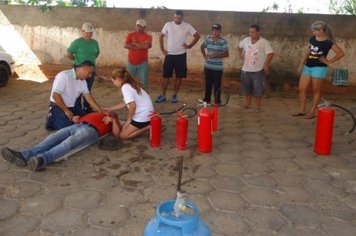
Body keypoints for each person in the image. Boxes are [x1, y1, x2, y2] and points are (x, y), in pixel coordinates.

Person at [2, 112, 121, 171]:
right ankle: (24, 155)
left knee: (68, 143)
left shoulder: (112, 121)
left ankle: (42, 159)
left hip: (92, 131)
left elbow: (117, 134)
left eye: (111, 113)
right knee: (52, 138)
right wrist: (77, 118)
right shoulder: (97, 113)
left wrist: (114, 119)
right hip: (78, 125)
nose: (109, 112)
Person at [292, 21, 345, 119]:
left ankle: (312, 112)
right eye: (313, 30)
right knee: (302, 89)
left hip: (319, 68)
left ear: (322, 30)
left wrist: (328, 61)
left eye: (315, 30)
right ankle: (302, 110)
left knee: (316, 90)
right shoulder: (312, 39)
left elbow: (340, 53)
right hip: (308, 66)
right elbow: (308, 52)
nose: (313, 32)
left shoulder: (329, 42)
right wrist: (301, 64)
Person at [156, 10, 200, 103]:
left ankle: (175, 95)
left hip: (181, 55)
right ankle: (163, 95)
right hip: (169, 55)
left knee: (179, 76)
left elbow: (197, 36)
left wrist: (189, 46)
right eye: (175, 17)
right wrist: (163, 50)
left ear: (182, 17)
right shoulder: (168, 25)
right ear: (173, 17)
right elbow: (161, 37)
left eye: (179, 18)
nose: (177, 20)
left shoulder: (187, 26)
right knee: (165, 76)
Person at [45, 60, 103, 131]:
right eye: (89, 73)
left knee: (87, 121)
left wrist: (99, 109)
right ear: (83, 69)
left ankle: (67, 117)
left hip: (73, 106)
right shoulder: (64, 76)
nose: (90, 76)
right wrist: (66, 110)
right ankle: (51, 119)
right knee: (69, 128)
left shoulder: (83, 81)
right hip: (58, 105)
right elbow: (55, 95)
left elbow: (88, 97)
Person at [105, 67, 154, 140]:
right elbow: (124, 103)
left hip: (143, 117)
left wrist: (129, 120)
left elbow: (132, 106)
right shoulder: (130, 84)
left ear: (118, 79)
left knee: (122, 136)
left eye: (113, 81)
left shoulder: (125, 87)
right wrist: (110, 108)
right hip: (148, 114)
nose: (113, 83)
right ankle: (146, 125)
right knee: (124, 126)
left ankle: (148, 127)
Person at [238, 24, 274, 112]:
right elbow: (239, 47)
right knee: (246, 88)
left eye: (253, 32)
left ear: (258, 32)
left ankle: (258, 106)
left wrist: (265, 65)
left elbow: (270, 53)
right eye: (250, 32)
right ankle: (247, 104)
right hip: (246, 69)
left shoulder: (263, 42)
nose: (251, 34)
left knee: (258, 89)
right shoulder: (246, 40)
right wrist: (241, 54)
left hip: (258, 70)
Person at [66, 22, 100, 112]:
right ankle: (76, 107)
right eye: (87, 32)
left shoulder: (94, 42)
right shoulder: (77, 42)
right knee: (77, 89)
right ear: (82, 31)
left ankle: (86, 107)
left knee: (87, 89)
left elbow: (96, 54)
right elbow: (68, 54)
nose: (89, 34)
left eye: (91, 33)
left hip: (91, 71)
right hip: (79, 70)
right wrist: (76, 61)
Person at [200, 23, 229, 105]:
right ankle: (207, 100)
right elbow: (202, 47)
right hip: (208, 66)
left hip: (218, 68)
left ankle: (217, 101)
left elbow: (226, 54)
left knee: (217, 85)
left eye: (216, 30)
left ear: (220, 31)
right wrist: (205, 56)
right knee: (208, 84)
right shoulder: (208, 40)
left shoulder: (223, 41)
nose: (215, 32)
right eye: (213, 30)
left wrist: (216, 55)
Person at [124, 19, 152, 88]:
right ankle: (129, 96)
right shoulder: (130, 35)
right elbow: (126, 45)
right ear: (135, 26)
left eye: (141, 26)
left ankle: (144, 96)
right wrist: (141, 46)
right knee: (129, 81)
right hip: (131, 62)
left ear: (144, 28)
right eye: (138, 26)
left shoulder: (148, 36)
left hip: (143, 62)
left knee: (143, 81)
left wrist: (134, 44)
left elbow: (148, 46)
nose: (139, 28)